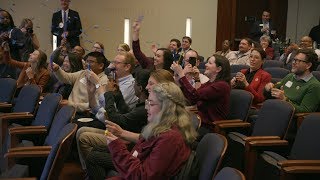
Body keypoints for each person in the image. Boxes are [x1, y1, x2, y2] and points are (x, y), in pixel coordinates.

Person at [87, 82, 197, 179]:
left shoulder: (169, 138)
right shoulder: (164, 128)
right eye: (147, 102)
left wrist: (117, 147)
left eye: (152, 104)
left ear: (167, 109)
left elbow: (141, 176)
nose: (146, 108)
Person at [76, 69, 150, 172]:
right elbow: (125, 112)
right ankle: (90, 171)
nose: (133, 85)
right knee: (82, 131)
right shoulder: (141, 104)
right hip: (123, 133)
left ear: (140, 88)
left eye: (135, 83)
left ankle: (92, 170)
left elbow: (115, 118)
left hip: (130, 143)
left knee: (86, 141)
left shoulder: (144, 108)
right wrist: (118, 94)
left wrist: (108, 92)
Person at [171, 54, 231, 137]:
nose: (205, 64)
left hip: (210, 128)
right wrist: (180, 78)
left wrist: (182, 74)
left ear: (218, 69)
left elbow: (194, 96)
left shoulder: (221, 86)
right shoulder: (210, 83)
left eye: (210, 63)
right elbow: (192, 99)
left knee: (174, 133)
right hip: (200, 123)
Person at [264, 48, 320, 113]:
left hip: (290, 120)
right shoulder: (290, 76)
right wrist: (268, 88)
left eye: (297, 61)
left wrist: (284, 99)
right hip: (276, 111)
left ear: (308, 65)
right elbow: (271, 93)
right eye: (294, 60)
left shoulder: (314, 86)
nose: (293, 63)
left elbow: (305, 111)